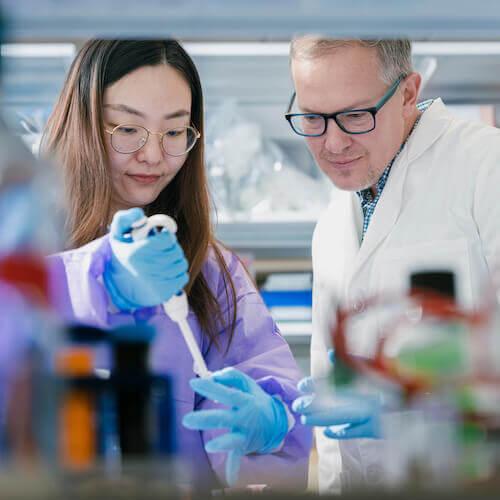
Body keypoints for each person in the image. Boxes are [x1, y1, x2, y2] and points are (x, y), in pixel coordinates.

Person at [42, 39, 311, 489]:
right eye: (127, 129)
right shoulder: (19, 239)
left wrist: (273, 422)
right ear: (83, 125)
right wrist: (99, 275)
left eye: (174, 132)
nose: (153, 155)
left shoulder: (209, 270)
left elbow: (277, 408)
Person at [285, 36, 500, 492]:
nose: (333, 142)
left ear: (407, 94)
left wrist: (411, 410)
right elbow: (333, 438)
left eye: (356, 116)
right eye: (312, 118)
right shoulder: (330, 227)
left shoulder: (487, 168)